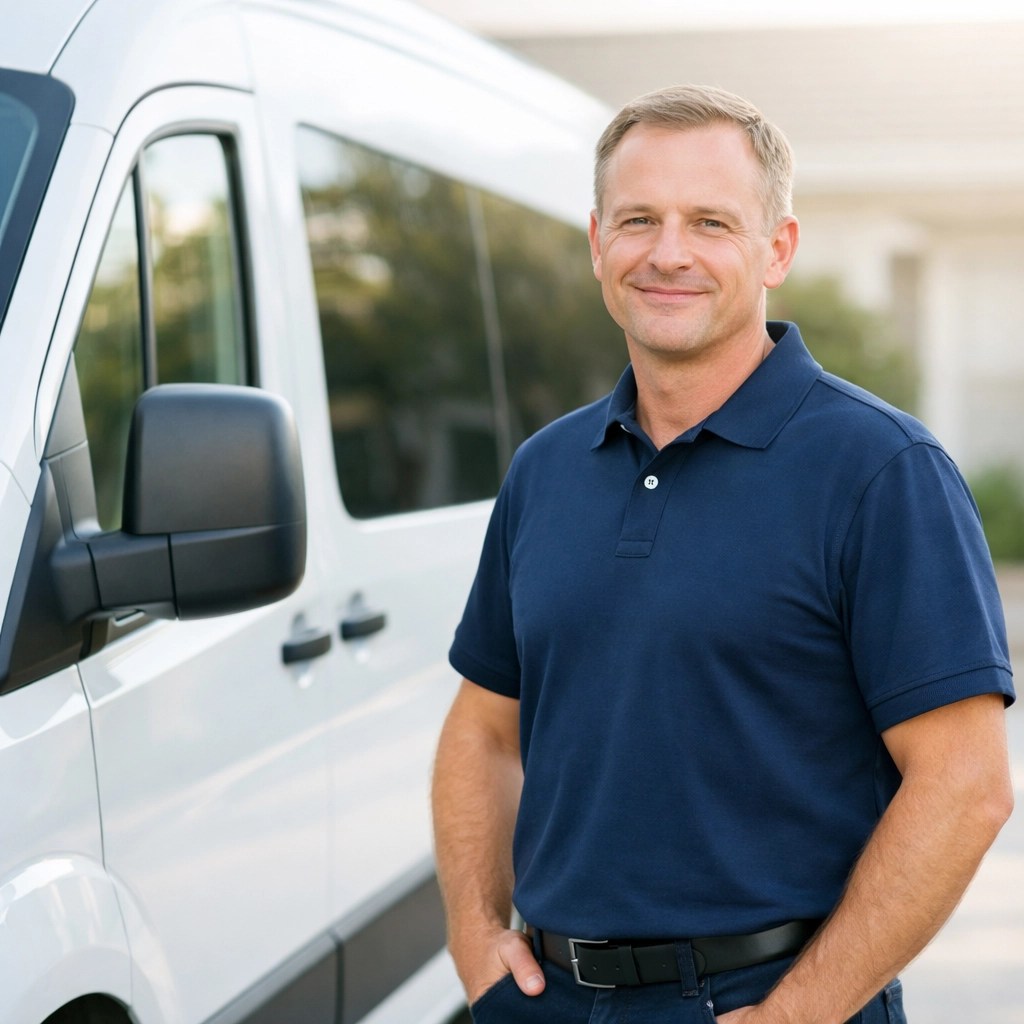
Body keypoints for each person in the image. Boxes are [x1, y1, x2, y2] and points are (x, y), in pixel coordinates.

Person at [431, 84, 1015, 1024]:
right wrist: (473, 935)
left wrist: (797, 1014)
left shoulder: (881, 470)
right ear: (597, 243)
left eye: (710, 221)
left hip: (766, 999)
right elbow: (485, 729)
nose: (669, 252)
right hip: (545, 998)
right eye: (639, 220)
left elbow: (966, 787)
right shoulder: (545, 469)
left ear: (777, 248)